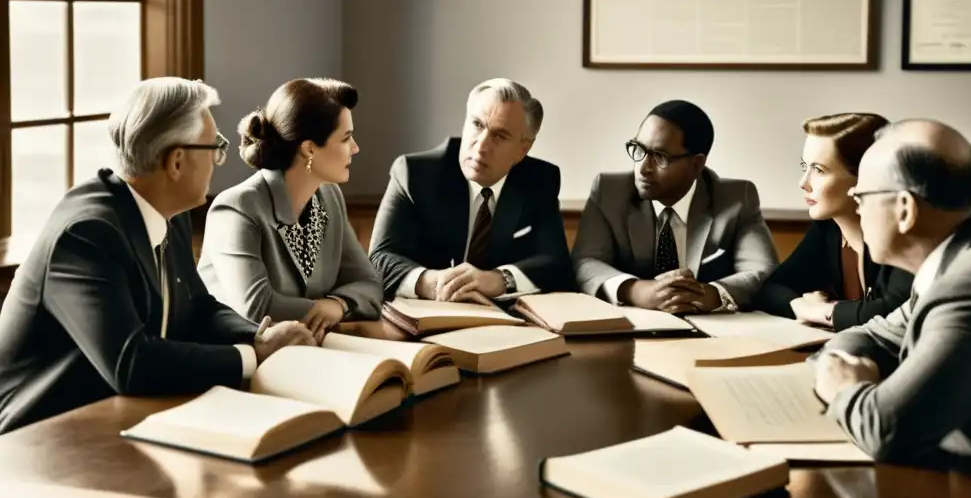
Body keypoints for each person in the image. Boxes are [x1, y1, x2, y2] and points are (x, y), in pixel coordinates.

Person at [0, 78, 314, 434]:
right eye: (214, 147)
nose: (218, 160)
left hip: (122, 419)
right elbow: (130, 363)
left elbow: (198, 308)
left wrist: (262, 337)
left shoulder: (169, 213)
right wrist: (254, 355)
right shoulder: (87, 234)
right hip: (38, 442)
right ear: (177, 162)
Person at [814, 119, 971, 467]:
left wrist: (843, 388)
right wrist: (839, 364)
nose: (857, 208)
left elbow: (886, 432)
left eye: (860, 195)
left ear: (905, 210)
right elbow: (875, 336)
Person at [198, 79, 383, 341]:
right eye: (346, 138)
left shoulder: (330, 196)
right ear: (309, 149)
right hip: (241, 358)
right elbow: (255, 309)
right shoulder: (236, 209)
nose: (355, 148)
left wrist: (337, 305)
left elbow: (370, 284)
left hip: (309, 350)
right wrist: (322, 308)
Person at [369, 78, 574, 302]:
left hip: (504, 322)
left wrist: (499, 280)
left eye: (499, 136)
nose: (482, 146)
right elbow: (380, 258)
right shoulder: (415, 174)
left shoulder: (539, 180)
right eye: (477, 125)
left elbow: (556, 263)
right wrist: (433, 283)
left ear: (523, 149)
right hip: (430, 314)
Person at [572, 100, 777, 313]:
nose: (643, 168)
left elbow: (763, 270)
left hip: (710, 332)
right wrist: (636, 291)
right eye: (638, 149)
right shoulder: (609, 191)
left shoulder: (736, 199)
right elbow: (586, 262)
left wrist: (711, 294)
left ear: (696, 164)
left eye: (660, 156)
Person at [752, 113, 914, 331]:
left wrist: (822, 311)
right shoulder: (828, 227)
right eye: (804, 167)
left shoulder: (906, 230)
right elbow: (771, 289)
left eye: (818, 170)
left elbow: (894, 314)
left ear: (865, 176)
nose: (803, 183)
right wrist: (803, 307)